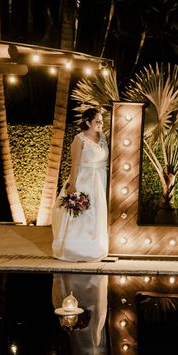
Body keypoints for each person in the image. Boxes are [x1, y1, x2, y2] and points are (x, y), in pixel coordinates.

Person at [52, 107, 109, 261]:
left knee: (97, 213)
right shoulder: (80, 139)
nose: (101, 123)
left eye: (101, 121)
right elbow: (75, 164)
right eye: (97, 121)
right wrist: (72, 185)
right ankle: (76, 249)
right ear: (88, 122)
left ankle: (96, 248)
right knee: (84, 214)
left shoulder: (102, 137)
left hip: (100, 179)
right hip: (85, 179)